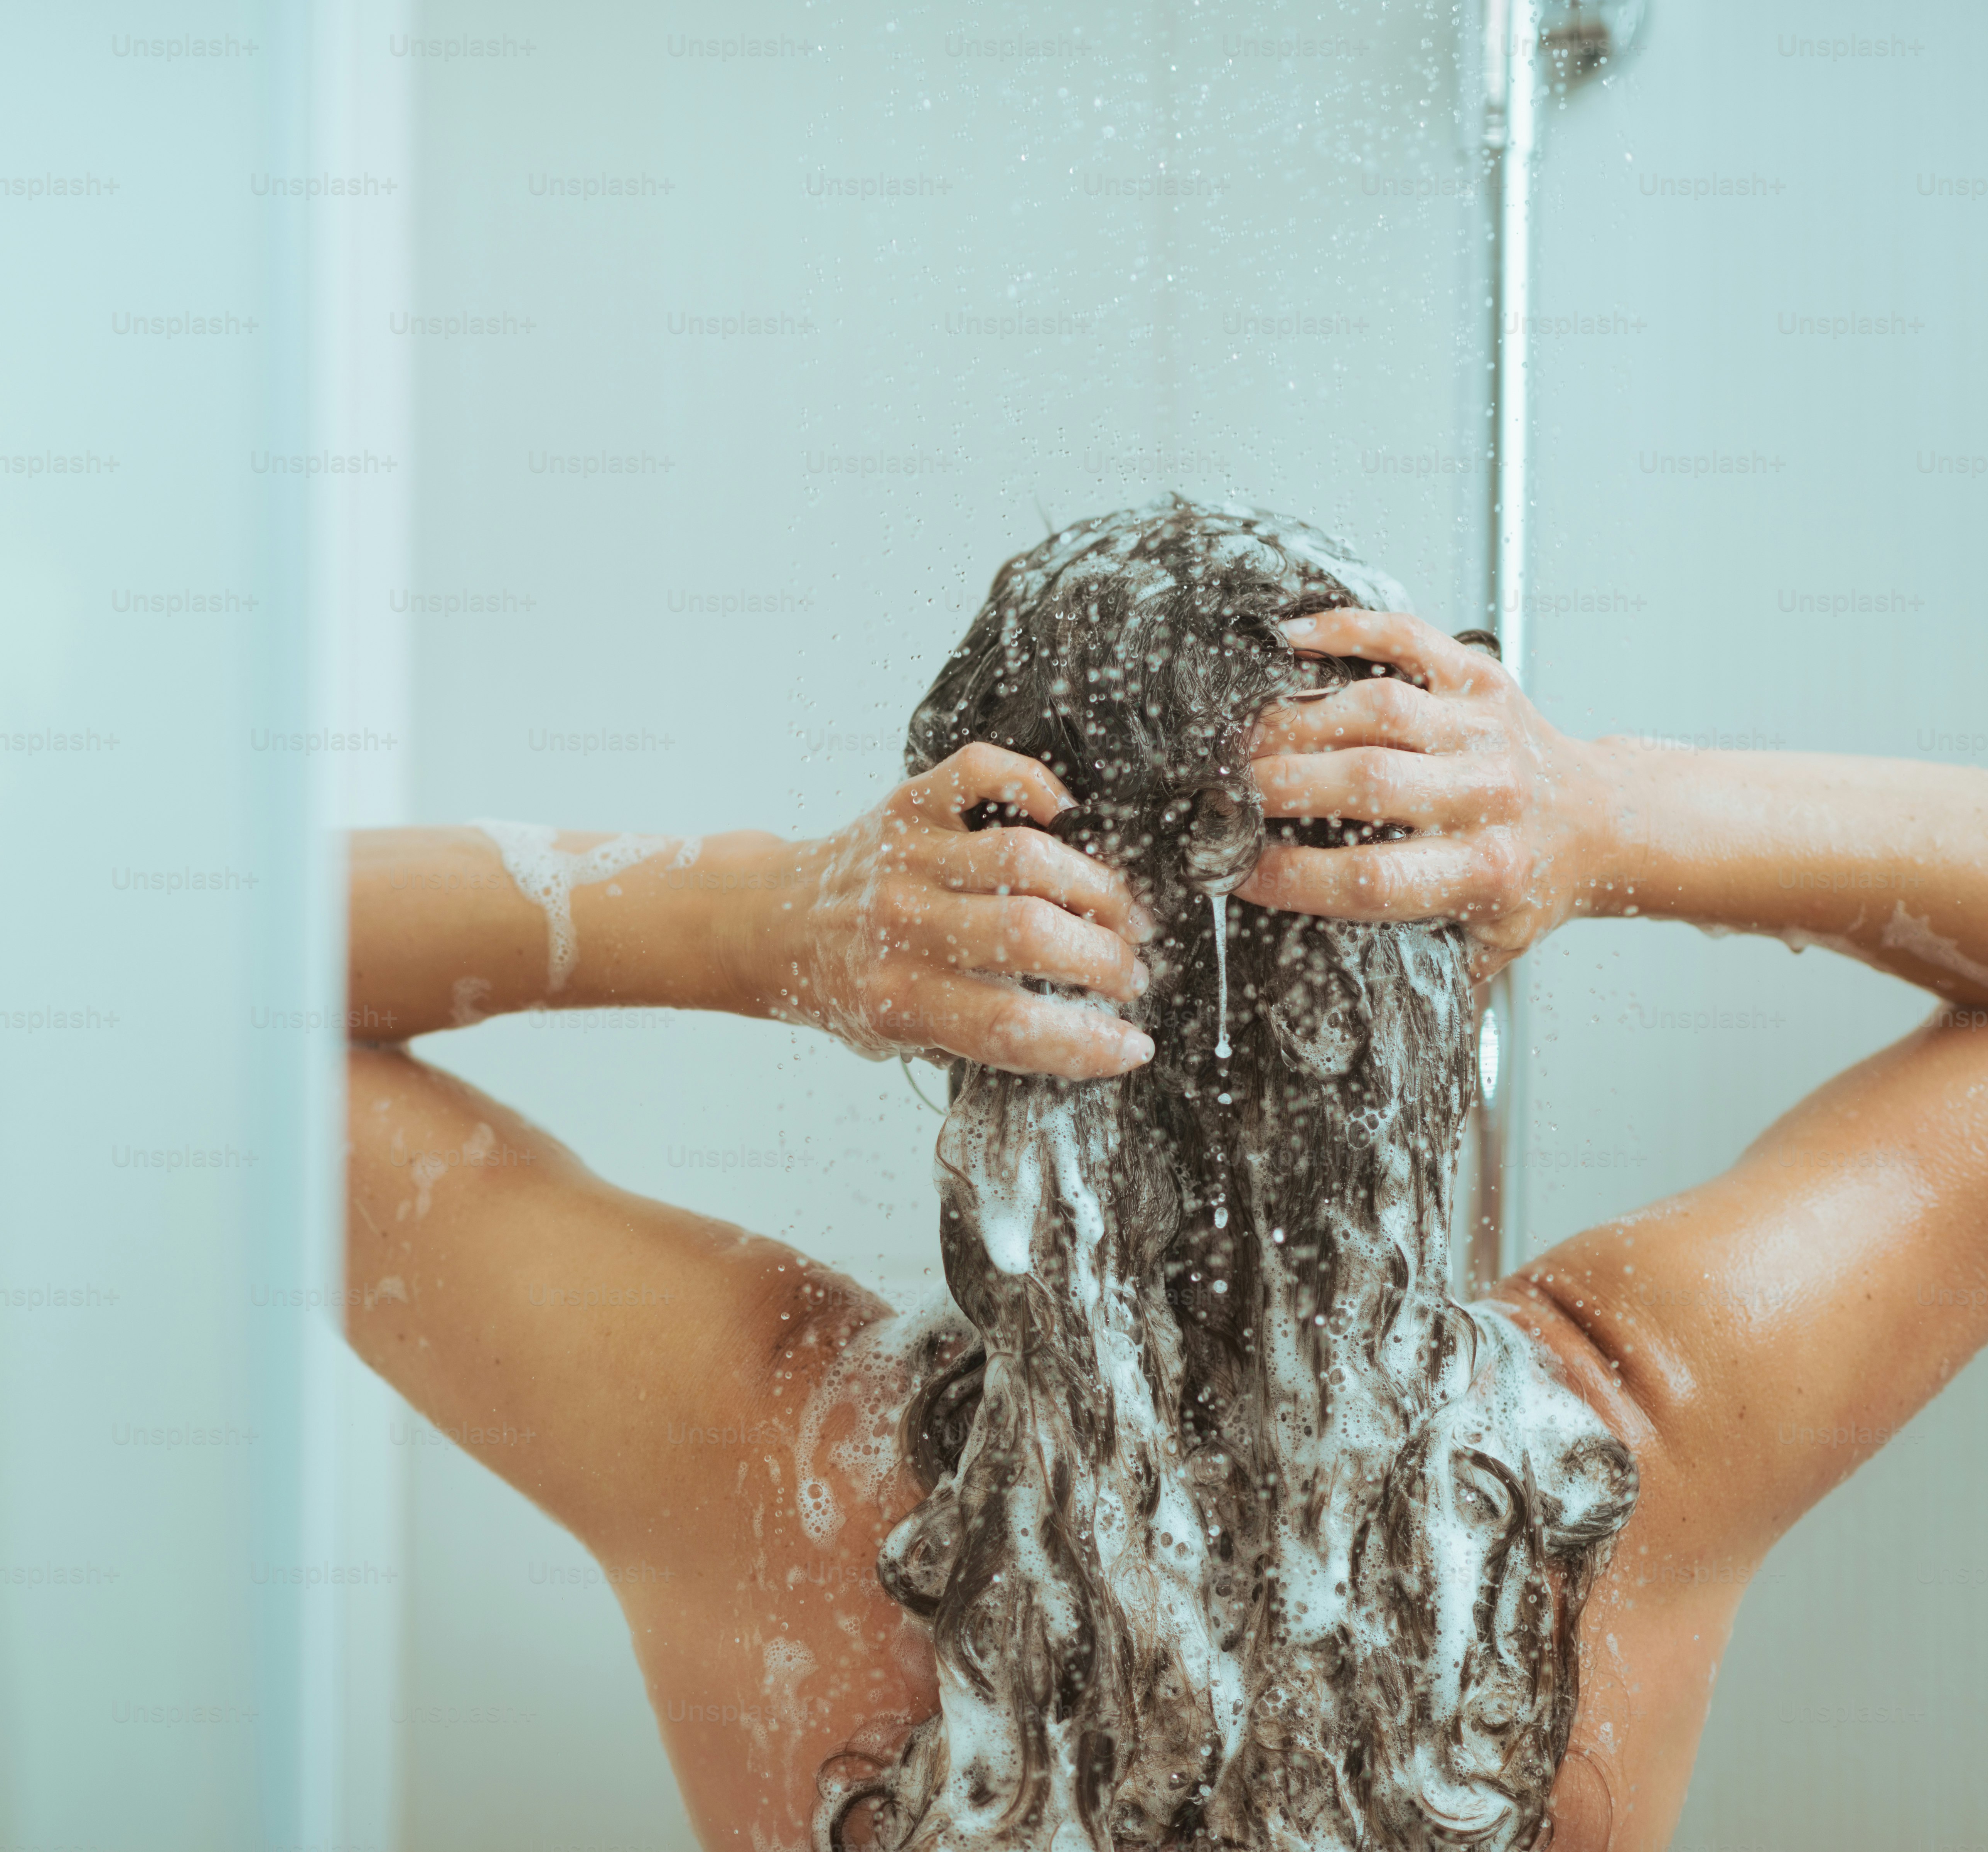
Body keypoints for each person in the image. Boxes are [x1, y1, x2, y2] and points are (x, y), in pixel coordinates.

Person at [342, 546, 1988, 1850]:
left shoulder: (758, 1464)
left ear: (947, 975)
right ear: (1427, 983)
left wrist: (759, 918)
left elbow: (192, 1001)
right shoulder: (1623, 1456)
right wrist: (1602, 811)